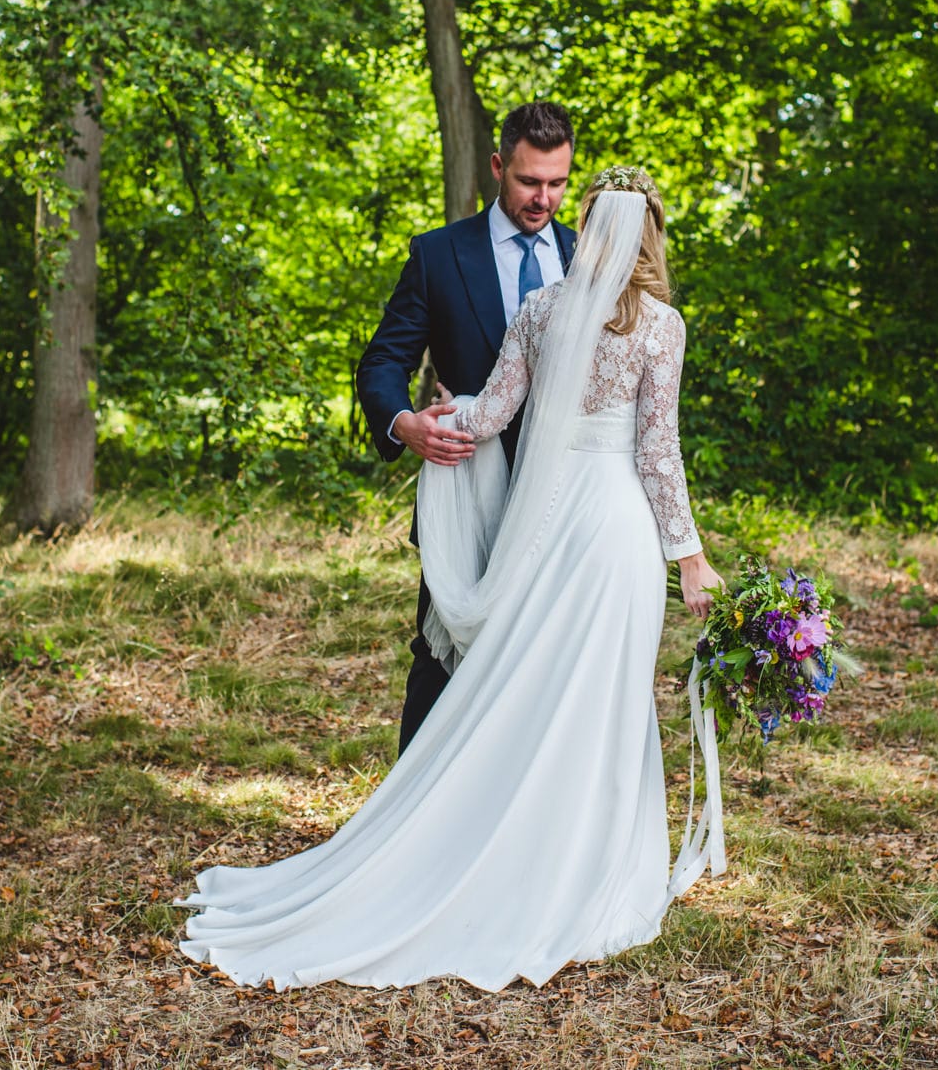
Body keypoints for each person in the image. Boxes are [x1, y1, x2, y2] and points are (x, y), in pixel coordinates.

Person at [179, 166, 729, 991]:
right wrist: (688, 554)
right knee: (605, 698)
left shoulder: (543, 312)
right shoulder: (662, 325)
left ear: (589, 221)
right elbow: (657, 454)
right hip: (616, 530)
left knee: (529, 688)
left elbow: (491, 414)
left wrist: (441, 418)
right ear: (652, 231)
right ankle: (585, 868)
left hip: (543, 529)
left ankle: (509, 848)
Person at [354, 101, 580, 752]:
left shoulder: (585, 255)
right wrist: (405, 423)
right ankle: (406, 831)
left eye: (557, 183)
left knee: (544, 665)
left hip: (561, 500)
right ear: (496, 166)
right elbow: (383, 362)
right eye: (528, 181)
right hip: (463, 489)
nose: (544, 198)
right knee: (441, 659)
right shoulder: (438, 254)